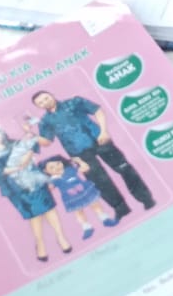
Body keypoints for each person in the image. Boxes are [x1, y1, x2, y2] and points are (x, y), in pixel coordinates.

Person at [32, 89, 154, 221]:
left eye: (45, 98)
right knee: (99, 181)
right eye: (40, 102)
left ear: (52, 95)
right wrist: (30, 134)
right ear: (38, 106)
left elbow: (98, 111)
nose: (45, 102)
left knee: (124, 169)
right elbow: (47, 142)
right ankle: (121, 208)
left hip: (99, 139)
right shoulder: (45, 121)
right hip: (77, 153)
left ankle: (146, 199)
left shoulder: (74, 102)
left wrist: (103, 131)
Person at [0, 127, 71, 261]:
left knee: (50, 208)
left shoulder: (15, 143)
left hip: (34, 179)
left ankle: (61, 237)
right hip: (16, 188)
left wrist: (28, 146)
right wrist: (8, 170)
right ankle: (40, 244)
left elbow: (32, 146)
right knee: (34, 216)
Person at [42, 156, 118, 239]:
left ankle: (105, 219)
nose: (56, 167)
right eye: (51, 167)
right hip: (71, 197)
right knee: (79, 212)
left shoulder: (70, 169)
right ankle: (87, 228)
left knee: (95, 205)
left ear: (62, 162)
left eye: (58, 163)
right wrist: (46, 181)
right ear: (46, 171)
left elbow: (85, 168)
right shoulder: (53, 180)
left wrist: (80, 161)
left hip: (84, 191)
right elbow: (50, 188)